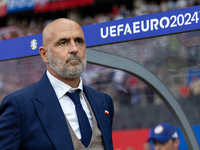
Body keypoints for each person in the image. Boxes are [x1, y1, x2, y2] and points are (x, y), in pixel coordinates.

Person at [0, 18, 114, 150]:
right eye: (63, 43)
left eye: (79, 41)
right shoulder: (19, 106)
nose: (74, 49)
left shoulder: (103, 101)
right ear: (44, 54)